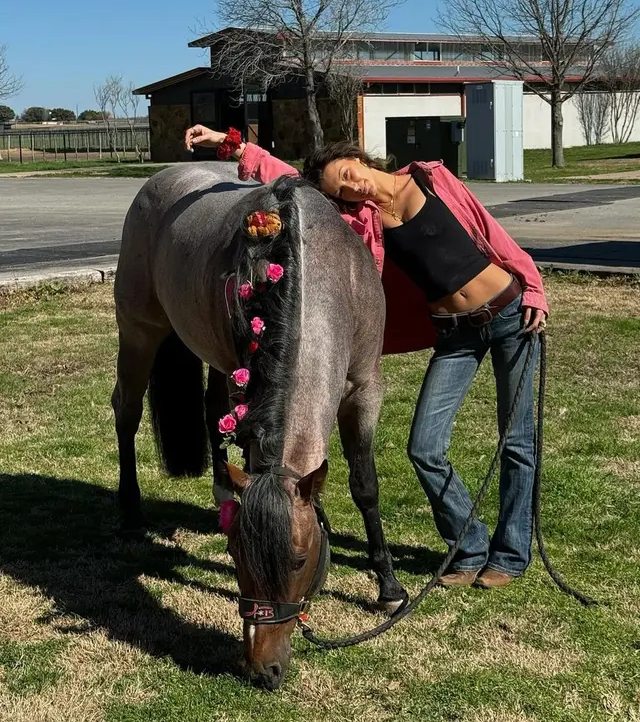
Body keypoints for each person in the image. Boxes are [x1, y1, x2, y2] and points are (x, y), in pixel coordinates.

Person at [184, 125, 549, 589]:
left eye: (350, 172)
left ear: (360, 157)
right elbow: (291, 179)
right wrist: (233, 146)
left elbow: (490, 232)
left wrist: (532, 284)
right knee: (425, 448)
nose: (354, 185)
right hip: (455, 336)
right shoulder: (366, 222)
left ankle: (512, 555)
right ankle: (470, 544)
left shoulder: (431, 177)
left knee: (516, 441)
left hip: (511, 313)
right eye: (343, 188)